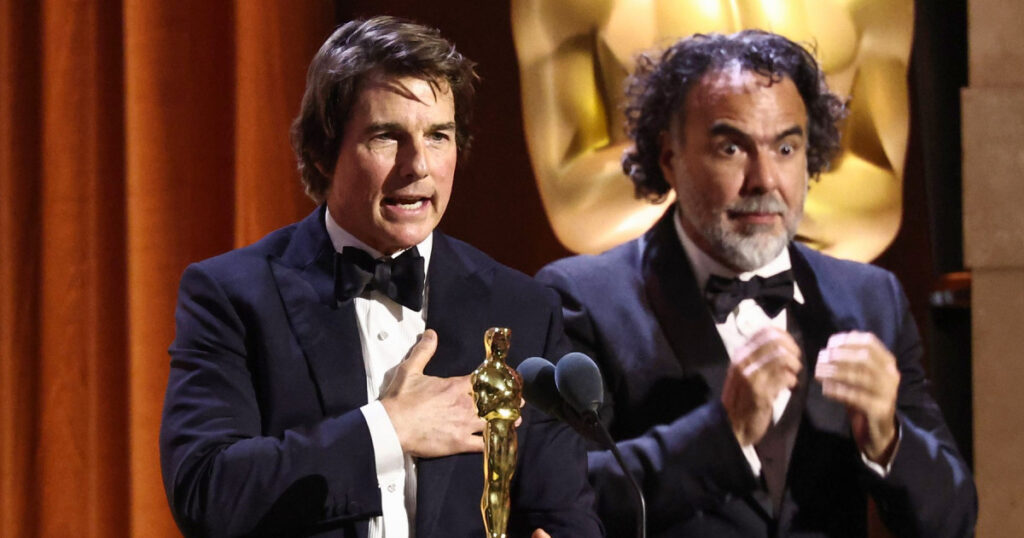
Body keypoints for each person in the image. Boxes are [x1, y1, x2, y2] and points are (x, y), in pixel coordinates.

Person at [159, 16, 602, 538]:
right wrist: (390, 429)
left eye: (438, 136)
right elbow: (206, 491)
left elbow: (564, 516)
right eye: (387, 136)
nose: (418, 165)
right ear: (323, 152)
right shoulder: (233, 296)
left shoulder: (523, 307)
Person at [536, 30, 976, 537]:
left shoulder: (872, 299)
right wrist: (724, 437)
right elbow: (560, 502)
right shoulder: (582, 299)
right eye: (731, 148)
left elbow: (954, 521)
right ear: (669, 158)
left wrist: (888, 438)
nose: (765, 179)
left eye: (786, 147)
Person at [512, 0, 912, 262]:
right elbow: (574, 205)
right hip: (653, 302)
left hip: (812, 301)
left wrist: (707, 181)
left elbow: (879, 203)